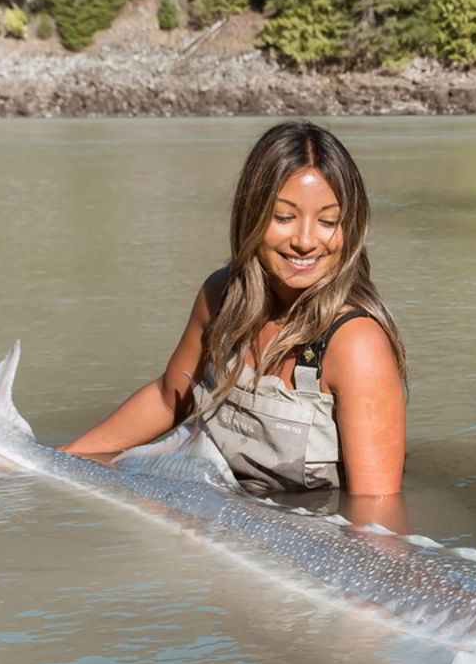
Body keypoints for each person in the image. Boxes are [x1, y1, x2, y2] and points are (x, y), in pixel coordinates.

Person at [63, 121, 407, 521]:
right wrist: (63, 460)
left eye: (329, 222)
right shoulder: (219, 295)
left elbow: (377, 510)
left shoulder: (357, 344)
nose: (306, 240)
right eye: (283, 217)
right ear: (251, 216)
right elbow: (167, 398)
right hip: (220, 515)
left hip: (309, 536)